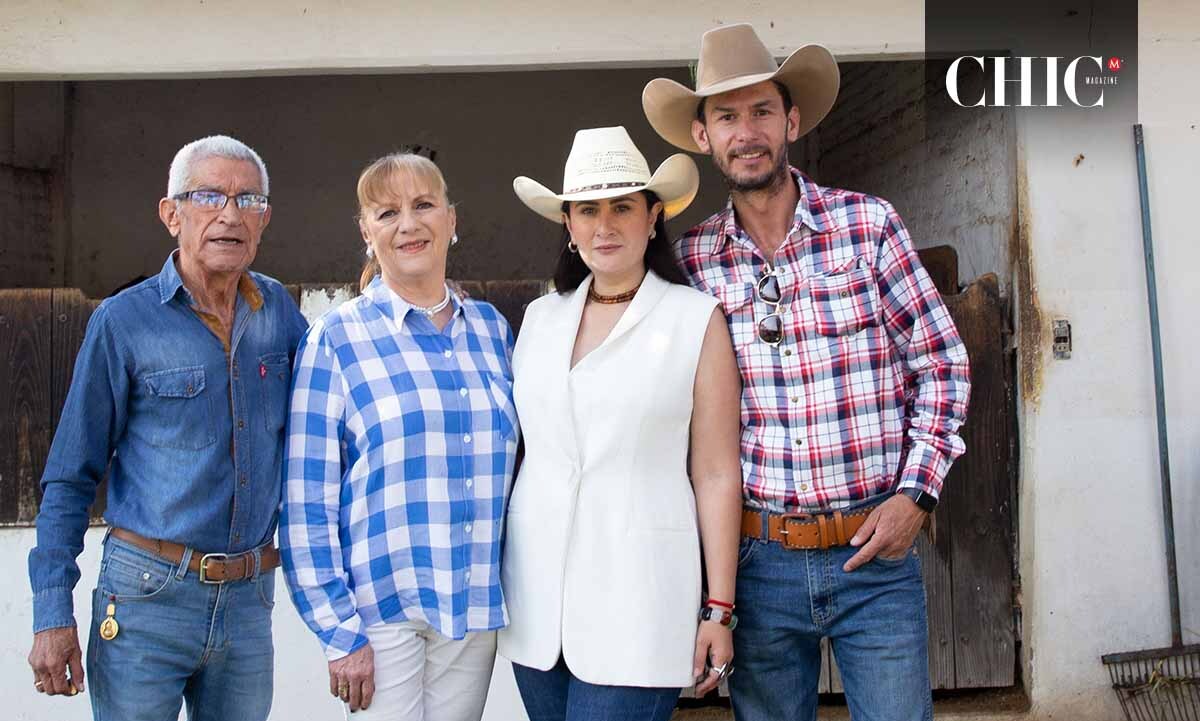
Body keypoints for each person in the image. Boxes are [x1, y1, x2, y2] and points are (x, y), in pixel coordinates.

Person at [643, 24, 972, 721]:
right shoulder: (694, 263)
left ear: (791, 120)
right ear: (702, 136)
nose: (747, 131)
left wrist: (917, 494)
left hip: (874, 558)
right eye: (726, 116)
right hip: (759, 564)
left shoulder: (869, 226)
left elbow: (940, 365)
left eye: (762, 110)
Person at [26, 134, 308, 721]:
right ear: (171, 214)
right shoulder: (123, 322)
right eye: (209, 196)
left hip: (249, 600)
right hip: (146, 597)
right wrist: (52, 611)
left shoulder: (280, 315)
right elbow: (70, 476)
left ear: (266, 220)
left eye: (248, 200)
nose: (230, 214)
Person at [499, 126, 744, 721]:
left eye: (622, 206)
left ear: (653, 215)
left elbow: (714, 472)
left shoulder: (694, 319)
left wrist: (718, 608)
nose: (604, 225)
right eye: (587, 209)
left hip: (641, 596)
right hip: (536, 601)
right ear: (568, 224)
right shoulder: (539, 318)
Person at [280, 152, 519, 720]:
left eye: (423, 205)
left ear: (452, 220)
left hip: (472, 605)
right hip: (380, 615)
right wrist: (339, 631)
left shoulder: (490, 330)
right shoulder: (336, 339)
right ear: (367, 233)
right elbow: (305, 499)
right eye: (387, 213)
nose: (408, 224)